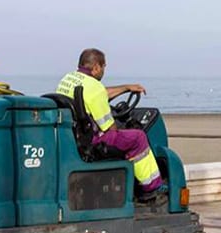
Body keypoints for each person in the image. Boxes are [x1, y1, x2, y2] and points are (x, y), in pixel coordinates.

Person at [56, 48, 166, 201]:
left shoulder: (69, 79)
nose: (104, 70)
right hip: (93, 142)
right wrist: (121, 128)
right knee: (138, 137)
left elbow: (98, 94)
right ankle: (151, 188)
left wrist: (126, 88)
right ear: (96, 67)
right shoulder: (95, 88)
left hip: (74, 136)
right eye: (103, 66)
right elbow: (109, 128)